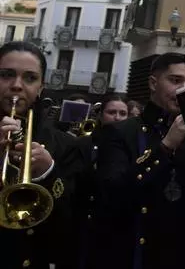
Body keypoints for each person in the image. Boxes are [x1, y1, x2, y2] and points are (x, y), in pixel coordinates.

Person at [96, 53, 185, 269]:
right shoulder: (120, 132)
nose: (184, 89)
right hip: (138, 253)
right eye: (175, 81)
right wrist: (165, 146)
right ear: (153, 83)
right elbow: (113, 192)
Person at [0, 41, 84, 269]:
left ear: (40, 88)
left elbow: (73, 220)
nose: (17, 85)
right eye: (7, 75)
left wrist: (48, 172)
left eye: (29, 78)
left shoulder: (65, 144)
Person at [73, 95, 129, 268]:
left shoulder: (131, 144)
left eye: (123, 113)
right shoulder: (84, 143)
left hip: (115, 224)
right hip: (84, 221)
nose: (117, 117)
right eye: (111, 112)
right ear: (101, 115)